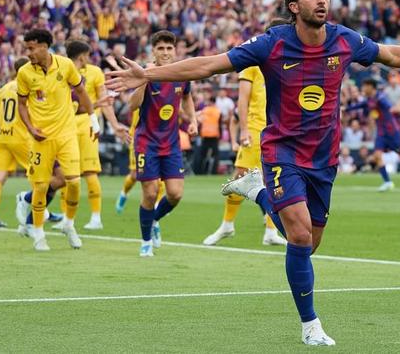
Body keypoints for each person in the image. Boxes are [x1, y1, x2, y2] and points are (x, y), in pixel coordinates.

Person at [106, 0, 400, 346]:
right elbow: (209, 64)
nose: (322, 0)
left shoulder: (344, 40)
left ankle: (257, 191)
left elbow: (388, 54)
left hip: (324, 157)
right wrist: (149, 74)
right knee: (298, 233)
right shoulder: (271, 44)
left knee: (309, 244)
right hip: (282, 151)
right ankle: (311, 326)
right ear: (294, 5)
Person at [203, 18, 289, 247]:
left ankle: (270, 231)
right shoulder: (254, 62)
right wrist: (243, 130)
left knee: (274, 180)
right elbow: (242, 99)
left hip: (277, 130)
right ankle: (227, 225)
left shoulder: (288, 63)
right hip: (255, 128)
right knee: (241, 176)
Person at [16, 29, 99, 251]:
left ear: (45, 46)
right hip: (41, 138)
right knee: (41, 186)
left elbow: (81, 91)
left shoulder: (65, 65)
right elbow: (21, 105)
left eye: (31, 48)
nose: (28, 53)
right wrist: (31, 128)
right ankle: (38, 234)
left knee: (74, 182)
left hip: (66, 134)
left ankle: (69, 224)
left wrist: (93, 119)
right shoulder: (24, 73)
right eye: (27, 48)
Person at [130, 30, 197, 257]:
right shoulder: (145, 72)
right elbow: (132, 105)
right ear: (153, 51)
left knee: (175, 194)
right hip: (146, 143)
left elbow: (187, 97)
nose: (166, 52)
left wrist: (193, 120)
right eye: (161, 48)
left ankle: (154, 220)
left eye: (169, 48)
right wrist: (144, 78)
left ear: (175, 51)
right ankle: (146, 242)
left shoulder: (182, 74)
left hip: (171, 143)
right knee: (150, 194)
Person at [53, 40, 129, 230]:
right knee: (67, 173)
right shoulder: (61, 71)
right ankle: (66, 218)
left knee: (89, 171)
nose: (89, 59)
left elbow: (105, 102)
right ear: (82, 56)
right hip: (67, 125)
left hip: (87, 125)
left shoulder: (94, 72)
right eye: (87, 55)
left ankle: (96, 217)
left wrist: (114, 125)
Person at [346, 79, 400, 193]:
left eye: (365, 86)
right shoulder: (369, 99)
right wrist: (345, 109)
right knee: (377, 155)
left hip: (392, 132)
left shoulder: (381, 98)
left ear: (371, 87)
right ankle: (387, 182)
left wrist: (397, 107)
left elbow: (391, 108)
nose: (363, 88)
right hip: (381, 133)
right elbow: (360, 105)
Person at [0, 57, 31, 229]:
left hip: (3, 137)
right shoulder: (27, 87)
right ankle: (41, 212)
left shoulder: (4, 88)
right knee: (38, 174)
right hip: (20, 137)